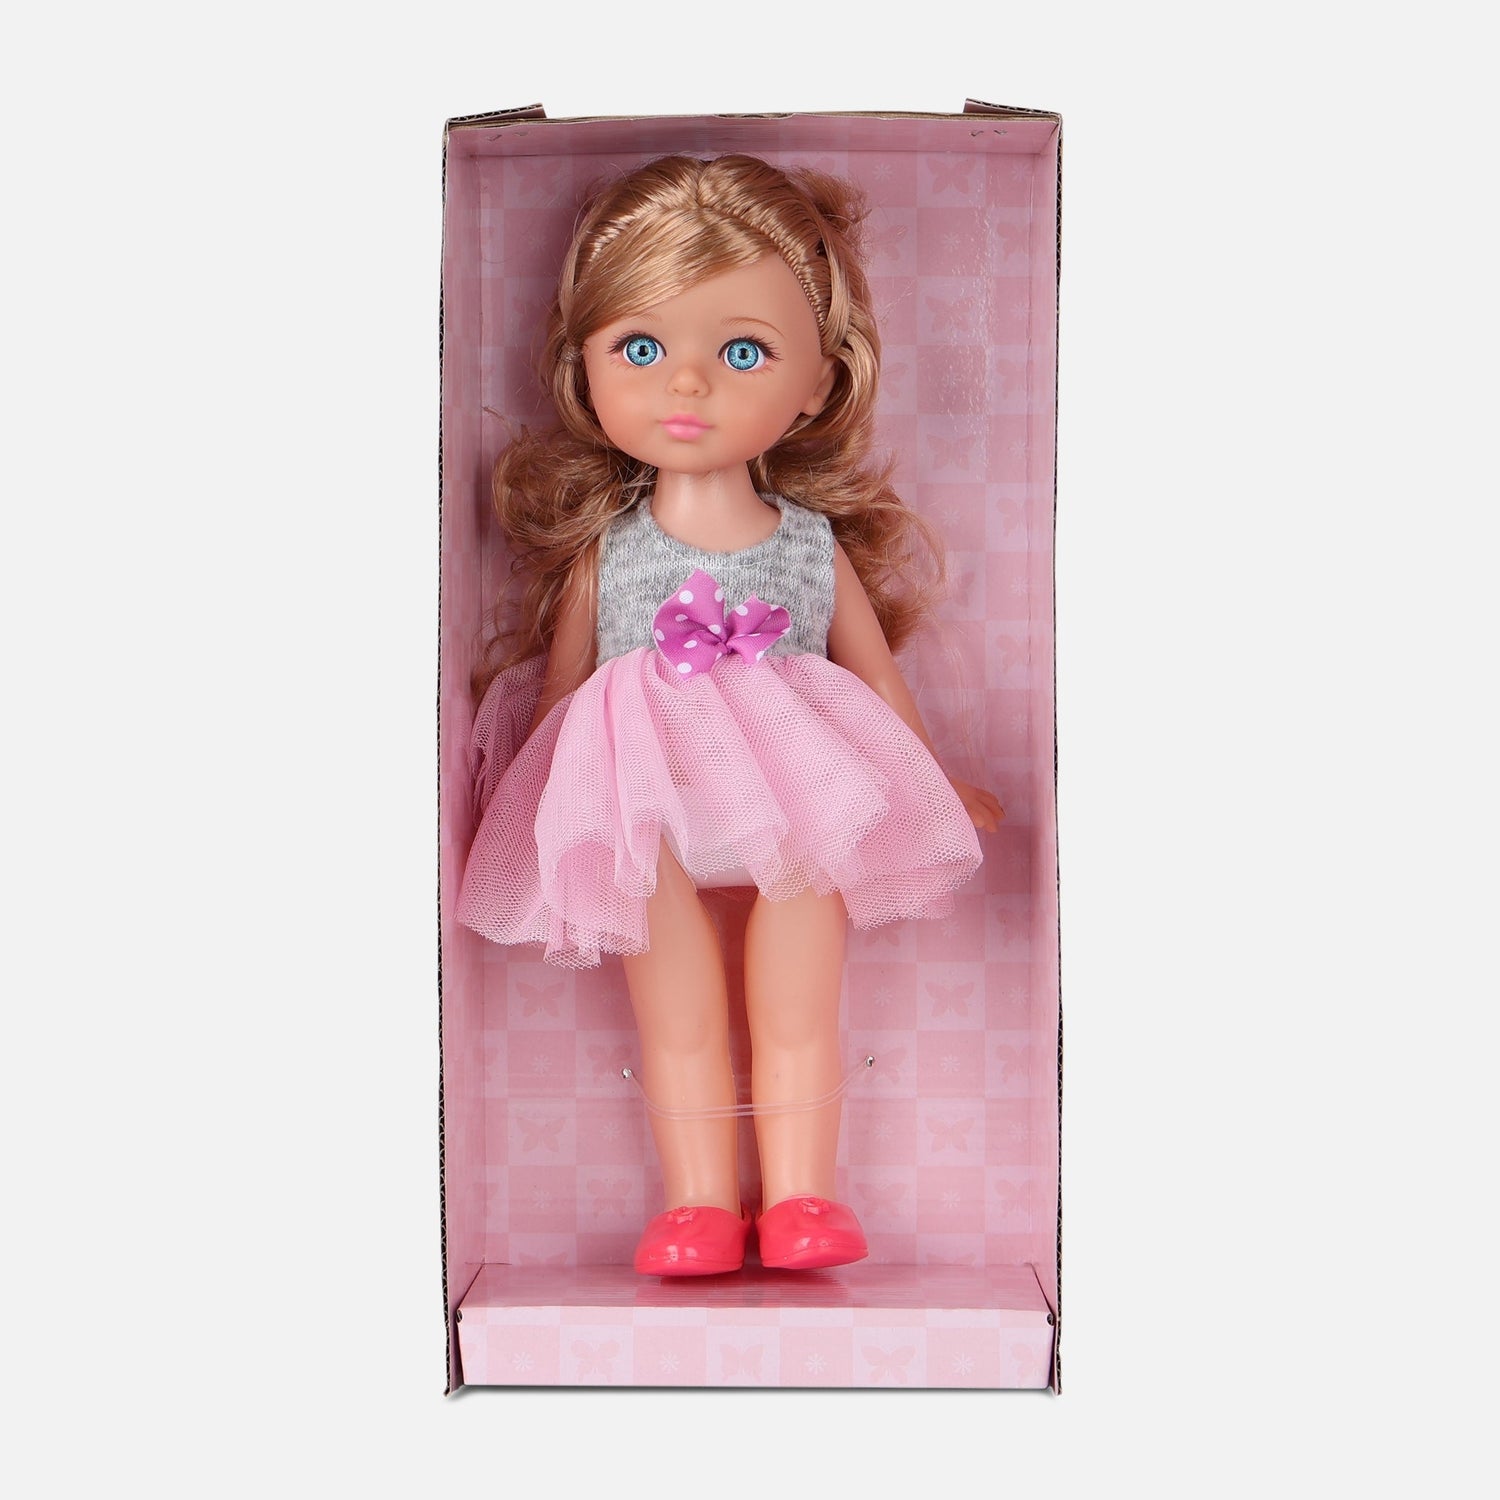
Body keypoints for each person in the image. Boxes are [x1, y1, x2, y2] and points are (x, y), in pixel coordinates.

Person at [457, 153, 1002, 1276]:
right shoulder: (609, 553)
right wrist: (527, 797)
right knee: (678, 1009)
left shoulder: (808, 543)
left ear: (818, 382)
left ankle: (803, 1196)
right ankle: (697, 1204)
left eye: (743, 351)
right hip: (640, 799)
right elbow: (564, 693)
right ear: (583, 368)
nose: (689, 384)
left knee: (798, 997)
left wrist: (934, 779)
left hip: (797, 793)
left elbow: (875, 678)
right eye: (640, 348)